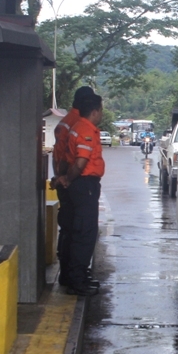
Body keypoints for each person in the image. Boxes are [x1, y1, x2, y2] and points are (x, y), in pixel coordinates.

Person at [55, 94, 105, 296]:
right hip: (84, 185)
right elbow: (81, 162)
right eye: (101, 110)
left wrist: (64, 177)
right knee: (85, 233)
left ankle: (75, 276)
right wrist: (68, 179)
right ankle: (77, 281)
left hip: (80, 185)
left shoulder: (75, 127)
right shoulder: (85, 130)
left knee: (77, 231)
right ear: (94, 111)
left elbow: (67, 158)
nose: (101, 114)